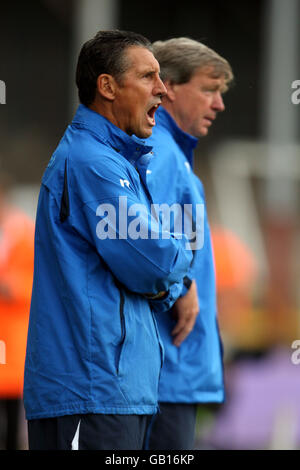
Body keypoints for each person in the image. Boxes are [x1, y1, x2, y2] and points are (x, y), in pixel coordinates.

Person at [23, 30, 193, 451]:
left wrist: (171, 281)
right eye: (148, 76)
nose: (162, 90)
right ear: (108, 86)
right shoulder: (94, 164)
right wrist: (179, 273)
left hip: (111, 391)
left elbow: (145, 261)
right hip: (91, 391)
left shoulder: (113, 159)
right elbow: (155, 260)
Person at [144, 37, 234, 450]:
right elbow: (139, 242)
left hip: (172, 369)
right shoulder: (160, 155)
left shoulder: (171, 155)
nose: (219, 105)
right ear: (170, 88)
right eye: (209, 89)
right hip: (167, 371)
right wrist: (180, 286)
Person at [0, 173, 34, 449]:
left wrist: (12, 287)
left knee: (13, 416)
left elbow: (39, 282)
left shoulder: (24, 233)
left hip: (13, 337)